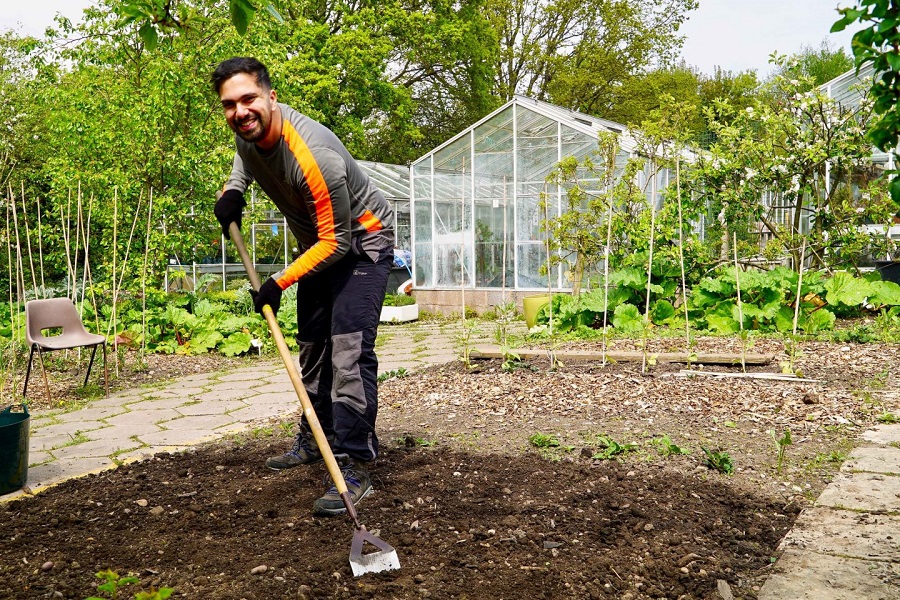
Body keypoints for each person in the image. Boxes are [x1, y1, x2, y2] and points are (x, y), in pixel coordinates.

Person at [211, 57, 394, 516]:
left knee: (348, 350)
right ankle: (317, 440)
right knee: (313, 345)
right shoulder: (247, 130)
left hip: (362, 243)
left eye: (249, 99)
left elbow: (340, 241)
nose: (240, 112)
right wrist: (235, 190)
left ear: (272, 97)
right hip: (319, 245)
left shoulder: (314, 155)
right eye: (230, 105)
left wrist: (278, 282)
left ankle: (353, 462)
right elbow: (244, 155)